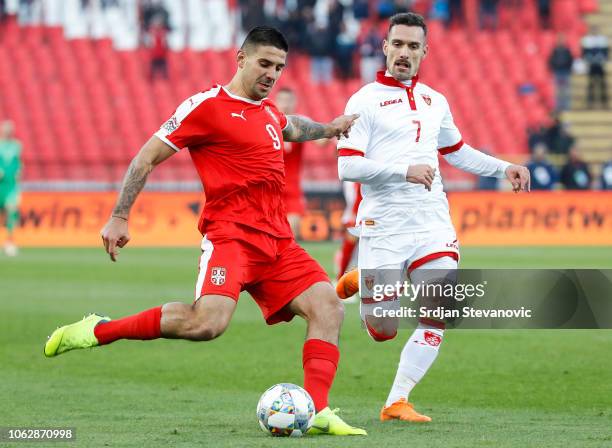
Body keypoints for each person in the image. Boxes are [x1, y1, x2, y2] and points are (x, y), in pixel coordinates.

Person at [44, 26, 366, 437]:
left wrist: (329, 126)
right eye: (264, 63)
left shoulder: (267, 112)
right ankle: (96, 330)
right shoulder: (206, 106)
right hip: (231, 238)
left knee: (328, 307)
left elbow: (291, 127)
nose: (271, 74)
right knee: (205, 325)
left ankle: (317, 410)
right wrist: (120, 216)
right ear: (241, 59)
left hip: (278, 240)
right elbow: (146, 157)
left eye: (279, 67)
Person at [335, 13, 530, 423]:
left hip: (431, 222)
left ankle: (397, 401)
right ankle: (363, 276)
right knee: (382, 329)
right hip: (383, 225)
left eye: (413, 46)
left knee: (439, 306)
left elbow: (456, 150)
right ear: (384, 47)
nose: (404, 53)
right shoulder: (364, 101)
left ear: (425, 52)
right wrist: (401, 170)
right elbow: (347, 167)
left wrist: (503, 168)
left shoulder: (435, 100)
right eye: (398, 44)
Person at [275, 87, 306, 237]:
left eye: (289, 101)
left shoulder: (300, 124)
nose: (285, 104)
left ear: (295, 103)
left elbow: (322, 141)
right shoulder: (267, 124)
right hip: (271, 189)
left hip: (292, 188)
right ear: (276, 102)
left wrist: (333, 134)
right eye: (282, 100)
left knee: (292, 236)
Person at [0, 120, 22, 256]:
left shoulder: (16, 146)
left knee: (11, 211)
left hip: (11, 185)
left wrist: (19, 169)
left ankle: (9, 241)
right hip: (0, 185)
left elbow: (18, 162)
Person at [581, 26, 609, 109]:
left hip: (600, 64)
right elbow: (584, 53)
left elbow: (605, 53)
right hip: (592, 65)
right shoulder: (587, 40)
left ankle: (604, 101)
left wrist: (600, 58)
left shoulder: (602, 40)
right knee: (591, 84)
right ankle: (590, 101)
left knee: (602, 83)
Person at [548, 33, 574, 112]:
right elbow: (551, 60)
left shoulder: (567, 50)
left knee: (566, 90)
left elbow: (571, 60)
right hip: (557, 72)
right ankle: (558, 106)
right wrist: (554, 68)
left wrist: (568, 69)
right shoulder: (554, 50)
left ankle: (566, 106)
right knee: (558, 90)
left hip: (565, 71)